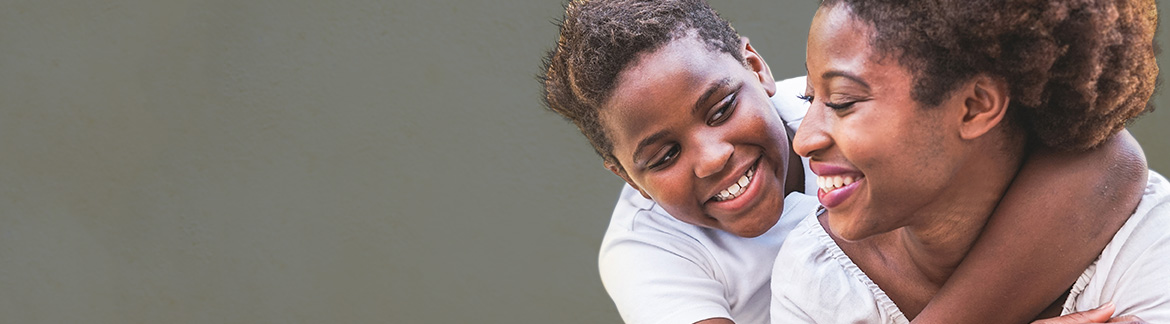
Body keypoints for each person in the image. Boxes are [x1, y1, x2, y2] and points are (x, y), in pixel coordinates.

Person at [540, 0, 1147, 323]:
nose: (711, 157)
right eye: (664, 155)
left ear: (757, 69)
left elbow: (1108, 164)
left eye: (721, 109)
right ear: (624, 176)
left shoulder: (856, 95)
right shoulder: (648, 255)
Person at [772, 0, 1164, 323]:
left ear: (975, 107)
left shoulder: (1146, 245)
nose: (803, 141)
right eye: (809, 100)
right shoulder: (815, 277)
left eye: (842, 102)